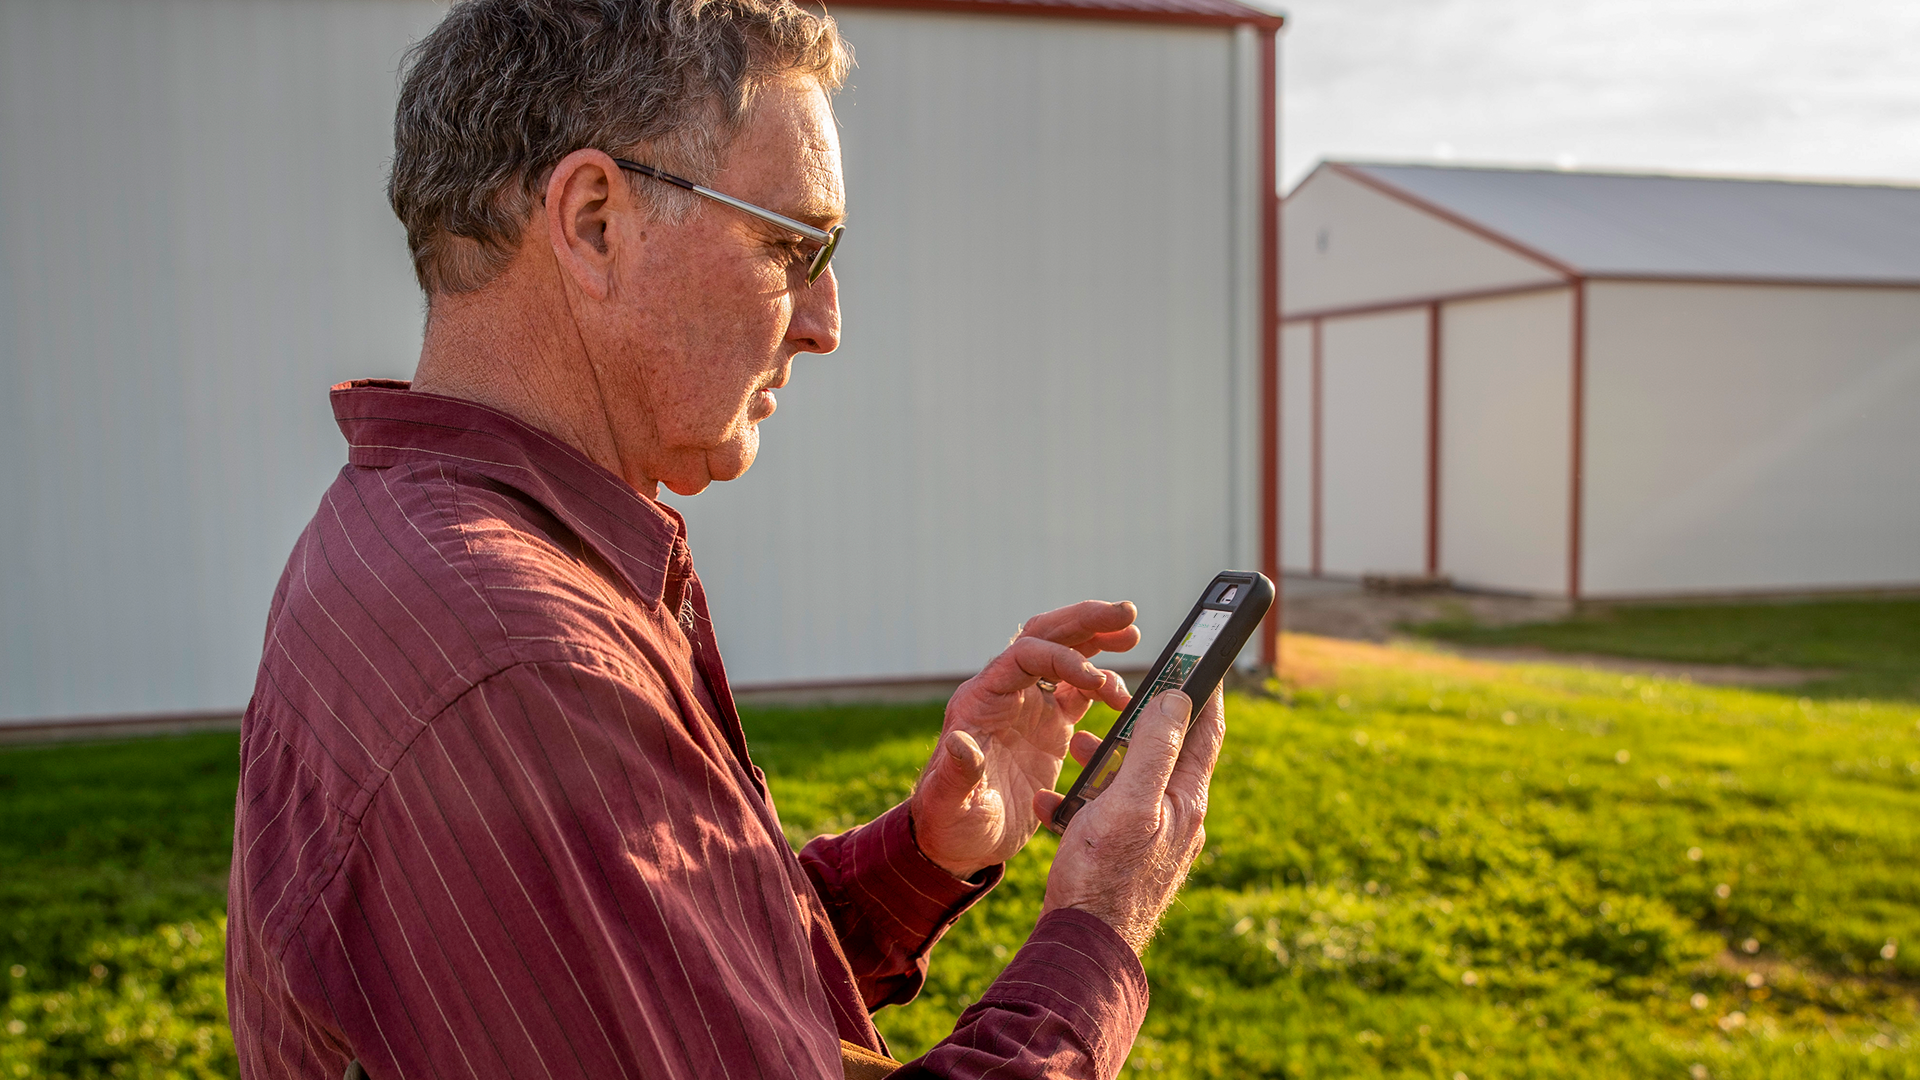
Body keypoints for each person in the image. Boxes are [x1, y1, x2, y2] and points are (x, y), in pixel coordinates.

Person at [224, 0, 1225, 1077]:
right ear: (594, 222)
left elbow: (675, 995)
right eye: (792, 244)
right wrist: (1102, 921)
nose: (824, 321)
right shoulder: (521, 663)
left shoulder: (430, 549)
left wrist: (926, 854)